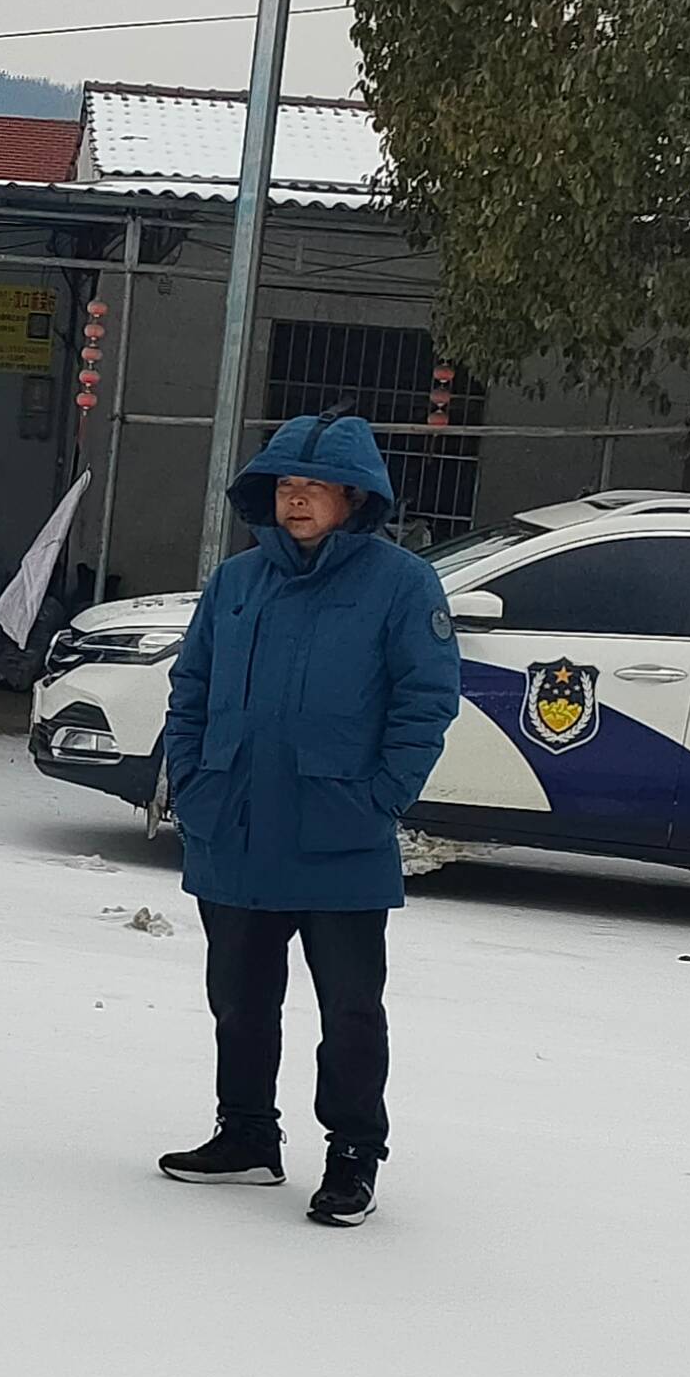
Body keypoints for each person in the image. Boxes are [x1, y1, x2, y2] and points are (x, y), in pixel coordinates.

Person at [152, 411, 463, 1226]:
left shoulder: (402, 584)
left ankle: (353, 1155)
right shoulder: (237, 582)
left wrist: (382, 796)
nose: (296, 500)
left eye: (314, 487)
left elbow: (425, 701)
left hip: (339, 832)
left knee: (350, 1009)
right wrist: (192, 778)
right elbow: (190, 688)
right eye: (286, 485)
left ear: (355, 498)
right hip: (239, 822)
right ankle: (247, 1134)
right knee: (239, 998)